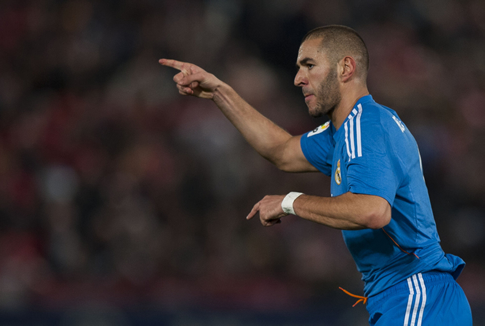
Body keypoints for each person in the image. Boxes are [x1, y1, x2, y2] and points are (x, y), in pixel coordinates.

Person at [159, 25, 472, 325]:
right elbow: (280, 149)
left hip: (416, 294)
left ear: (345, 68)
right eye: (298, 67)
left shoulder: (367, 126)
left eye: (309, 65)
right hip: (401, 296)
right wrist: (220, 92)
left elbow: (372, 210)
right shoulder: (342, 133)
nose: (298, 78)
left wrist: (291, 202)